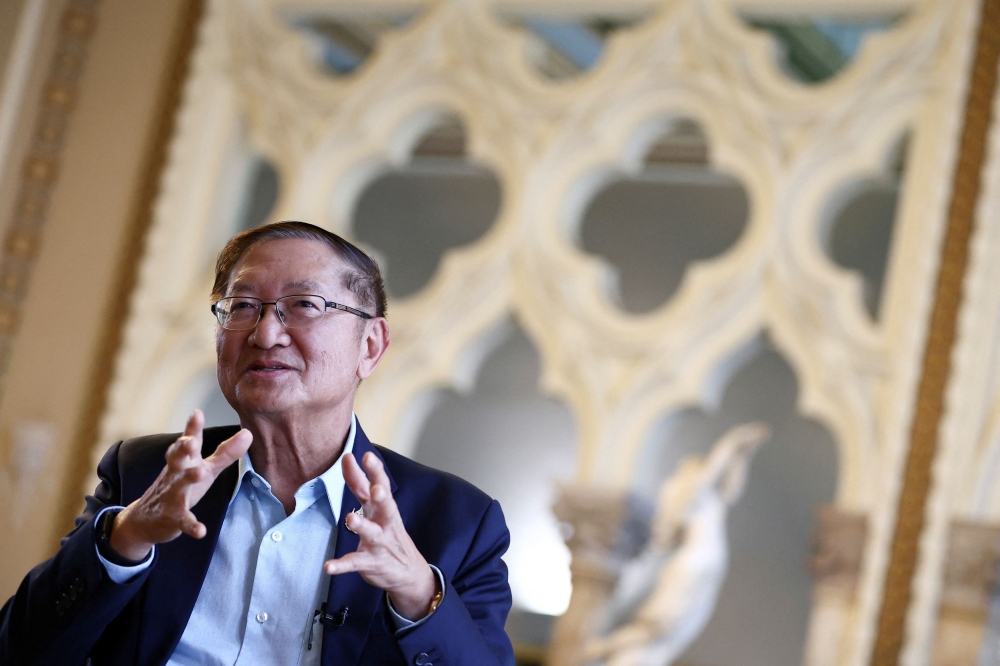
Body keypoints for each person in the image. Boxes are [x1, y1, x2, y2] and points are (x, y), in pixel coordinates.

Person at [0, 221, 515, 665]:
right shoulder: (146, 474)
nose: (266, 333)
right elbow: (20, 651)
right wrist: (126, 537)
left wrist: (418, 591)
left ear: (371, 345)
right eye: (242, 306)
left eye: (304, 305)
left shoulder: (458, 523)